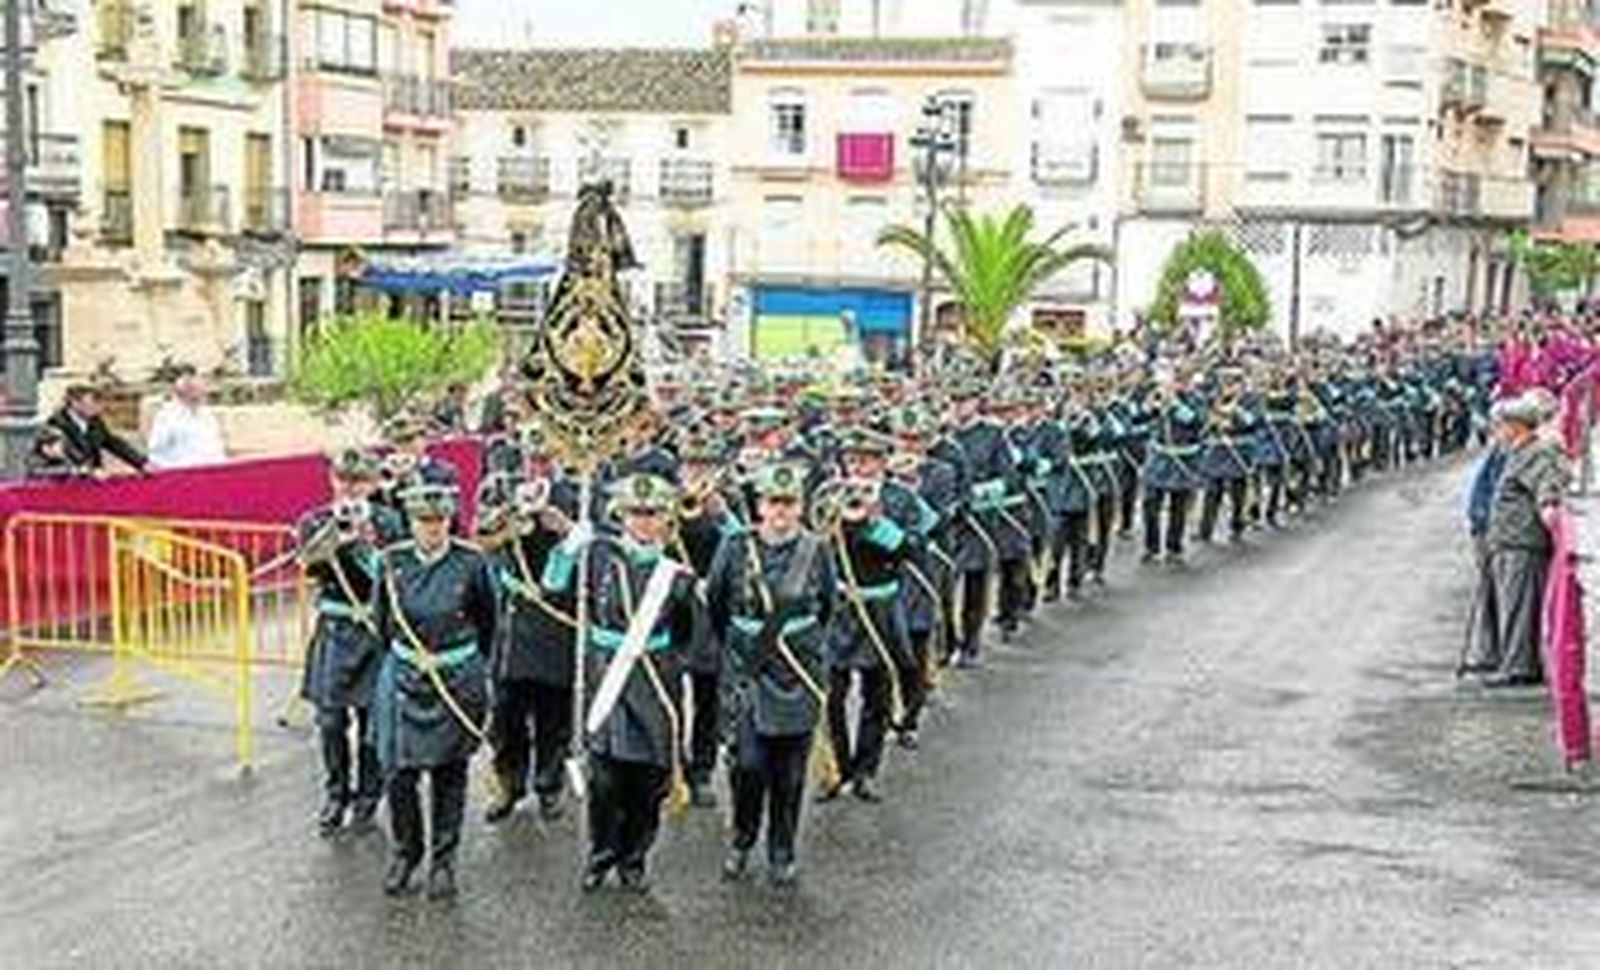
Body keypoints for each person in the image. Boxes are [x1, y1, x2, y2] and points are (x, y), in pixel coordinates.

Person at [542, 473, 699, 893]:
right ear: (621, 515)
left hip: (654, 680)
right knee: (605, 779)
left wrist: (664, 663)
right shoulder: (599, 555)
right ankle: (601, 853)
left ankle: (635, 857)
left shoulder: (677, 575)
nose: (645, 522)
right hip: (607, 675)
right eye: (636, 513)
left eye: (653, 514)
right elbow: (554, 585)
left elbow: (686, 635)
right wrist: (568, 547)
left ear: (666, 518)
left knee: (648, 780)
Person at [705, 462, 835, 886]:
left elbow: (828, 608)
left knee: (791, 771)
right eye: (772, 503)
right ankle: (742, 840)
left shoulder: (816, 550)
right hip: (748, 669)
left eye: (789, 503)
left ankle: (782, 849)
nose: (780, 511)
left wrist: (804, 650)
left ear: (799, 506)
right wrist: (741, 654)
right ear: (759, 506)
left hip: (797, 674)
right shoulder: (735, 546)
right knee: (747, 765)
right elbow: (717, 606)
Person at [370, 482, 497, 899]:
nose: (432, 529)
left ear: (449, 520)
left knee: (449, 773)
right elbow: (382, 624)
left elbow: (488, 623)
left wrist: (474, 671)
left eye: (439, 521)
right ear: (410, 522)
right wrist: (405, 662)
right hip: (404, 677)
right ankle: (407, 852)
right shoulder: (391, 563)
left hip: (455, 678)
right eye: (424, 522)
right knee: (398, 774)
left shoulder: (472, 562)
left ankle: (444, 860)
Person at [296, 449, 405, 837]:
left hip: (372, 633)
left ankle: (367, 798)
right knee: (329, 721)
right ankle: (336, 793)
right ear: (333, 480)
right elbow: (310, 565)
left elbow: (394, 575)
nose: (350, 489)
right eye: (344, 480)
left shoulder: (389, 521)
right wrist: (336, 539)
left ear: (373, 485)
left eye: (359, 482)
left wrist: (365, 546)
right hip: (336, 629)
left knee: (370, 723)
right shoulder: (314, 520)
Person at [482, 457, 583, 824]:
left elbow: (596, 542)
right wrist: (504, 520)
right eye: (533, 452)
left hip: (557, 617)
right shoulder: (501, 486)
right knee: (506, 715)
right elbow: (481, 534)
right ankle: (510, 785)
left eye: (546, 454)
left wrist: (566, 527)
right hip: (516, 619)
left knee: (552, 714)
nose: (539, 461)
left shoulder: (574, 490)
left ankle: (548, 785)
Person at [820, 434, 912, 804]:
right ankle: (837, 768)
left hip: (880, 607)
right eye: (852, 459)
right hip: (841, 607)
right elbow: (816, 541)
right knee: (832, 694)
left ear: (883, 462)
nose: (858, 467)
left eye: (867, 460)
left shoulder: (900, 499)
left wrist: (877, 525)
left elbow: (912, 549)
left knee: (878, 694)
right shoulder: (829, 496)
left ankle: (866, 771)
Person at [1470, 394, 1570, 687]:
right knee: (1510, 604)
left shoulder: (1535, 452)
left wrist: (1548, 507)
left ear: (1516, 426)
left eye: (1501, 425)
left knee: (1519, 606)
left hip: (1522, 541)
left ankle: (1518, 667)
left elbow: (1548, 485)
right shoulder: (1518, 451)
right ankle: (1513, 662)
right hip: (1509, 540)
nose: (1497, 430)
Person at [44, 384, 147, 475]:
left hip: (95, 479)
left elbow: (112, 442)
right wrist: (90, 470)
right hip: (70, 482)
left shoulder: (95, 421)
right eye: (94, 400)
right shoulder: (56, 424)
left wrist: (140, 462)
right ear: (75, 402)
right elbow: (68, 452)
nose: (100, 406)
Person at [146, 364, 226, 469]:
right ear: (183, 393)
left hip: (211, 474)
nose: (202, 396)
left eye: (202, 392)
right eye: (195, 392)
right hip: (182, 475)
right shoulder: (168, 416)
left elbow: (216, 448)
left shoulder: (208, 415)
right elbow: (156, 453)